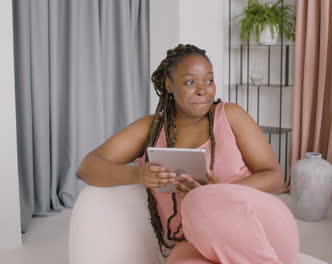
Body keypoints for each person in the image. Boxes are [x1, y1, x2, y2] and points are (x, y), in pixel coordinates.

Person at [77, 44, 299, 263]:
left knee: (199, 200)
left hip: (259, 232)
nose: (203, 90)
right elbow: (87, 167)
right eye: (190, 82)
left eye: (209, 80)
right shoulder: (152, 128)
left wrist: (217, 193)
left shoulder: (231, 115)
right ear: (169, 85)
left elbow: (276, 177)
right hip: (196, 244)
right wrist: (137, 176)